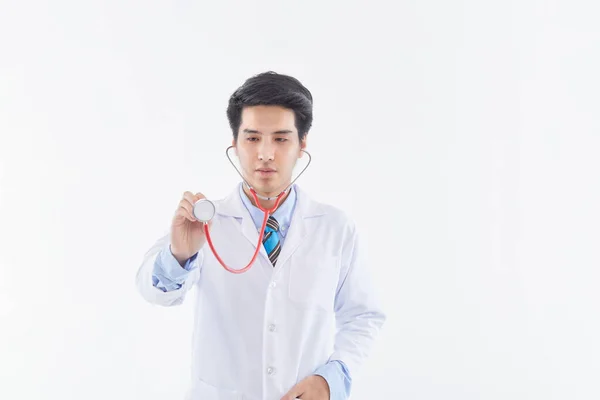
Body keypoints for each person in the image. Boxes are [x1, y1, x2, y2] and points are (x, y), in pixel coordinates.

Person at [135, 71, 386, 400]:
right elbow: (154, 293)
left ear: (302, 145)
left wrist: (331, 379)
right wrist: (180, 255)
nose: (265, 154)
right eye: (252, 138)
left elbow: (363, 315)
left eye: (281, 139)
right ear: (235, 145)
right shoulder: (204, 222)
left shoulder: (334, 227)